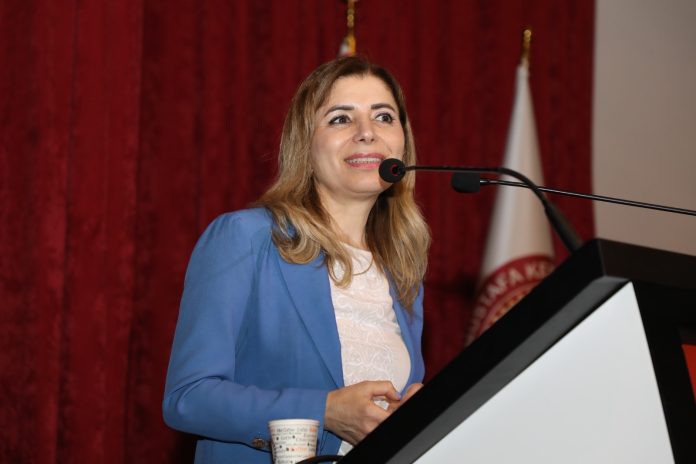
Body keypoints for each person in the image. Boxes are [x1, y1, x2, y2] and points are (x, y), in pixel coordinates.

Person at [163, 56, 431, 463]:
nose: (367, 132)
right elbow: (188, 397)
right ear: (305, 144)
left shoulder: (402, 271)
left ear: (403, 143)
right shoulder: (246, 237)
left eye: (383, 117)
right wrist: (325, 411)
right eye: (341, 119)